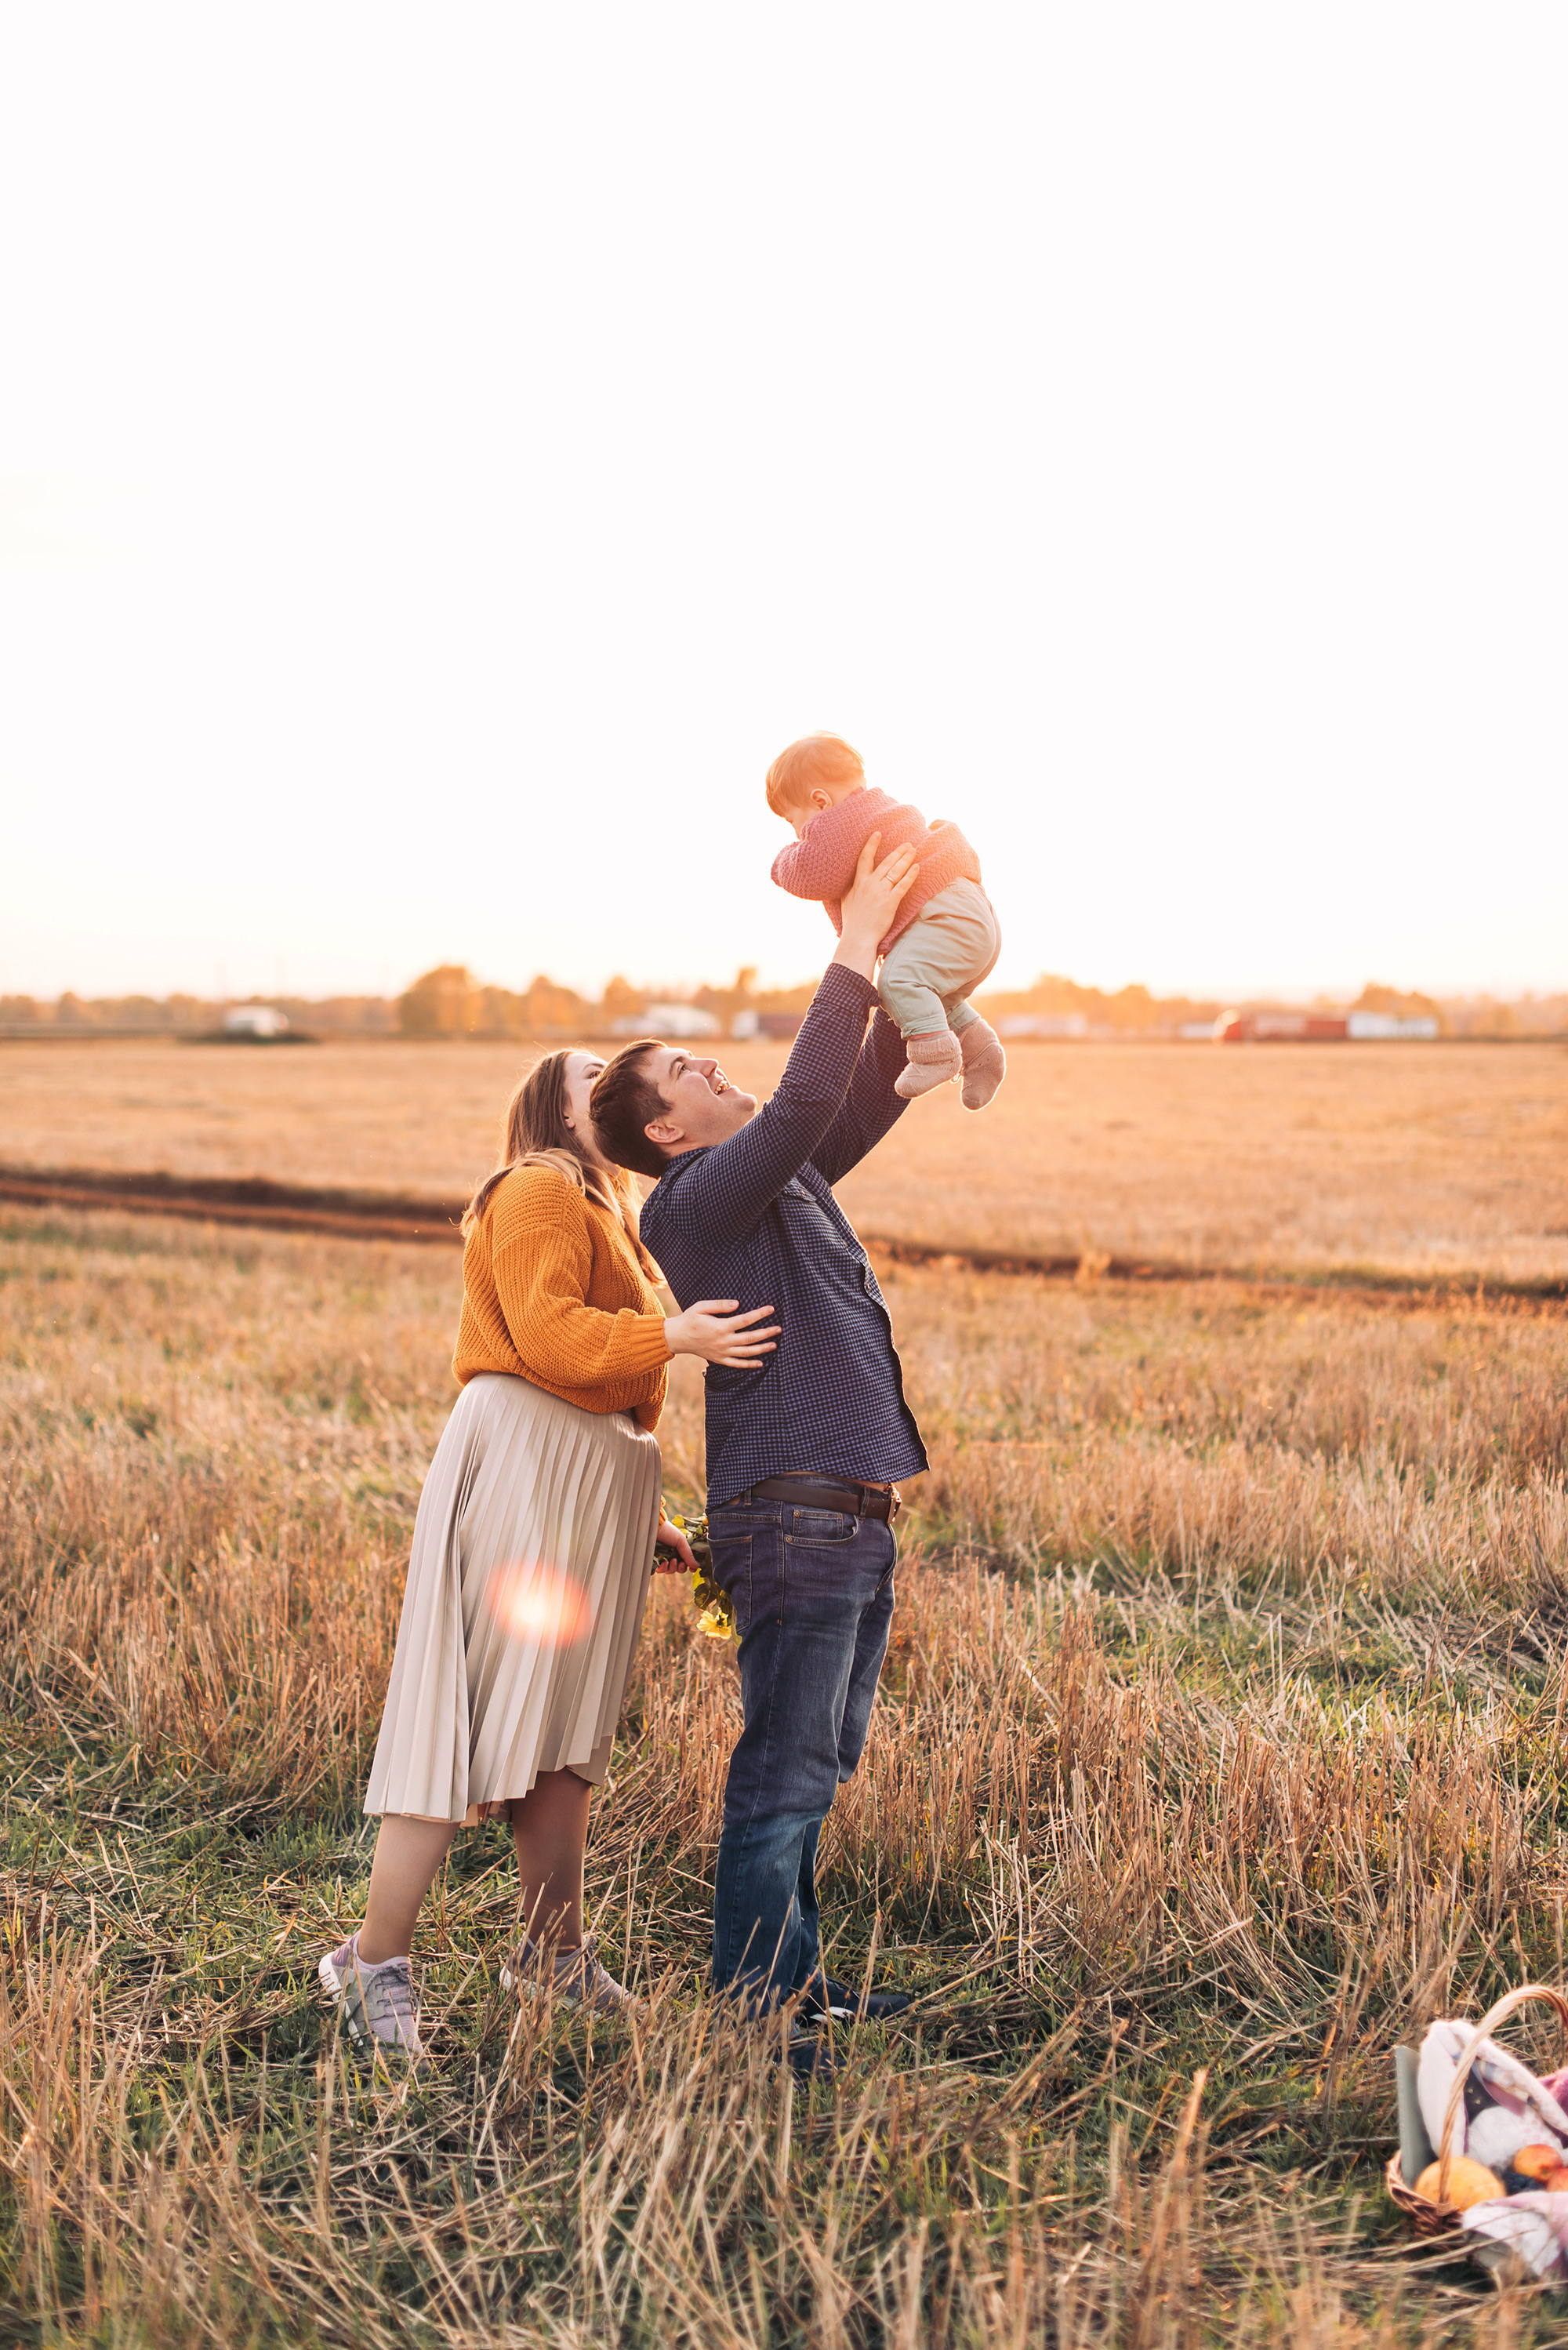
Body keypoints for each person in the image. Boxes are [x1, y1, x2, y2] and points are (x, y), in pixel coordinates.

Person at [319, 1050, 779, 2068]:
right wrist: (679, 1334)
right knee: (471, 1710)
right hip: (527, 1452)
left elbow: (593, 1367)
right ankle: (371, 1960)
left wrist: (640, 1512)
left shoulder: (600, 1204)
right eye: (594, 1071)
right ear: (557, 1108)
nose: (615, 1075)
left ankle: (552, 1954)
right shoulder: (534, 1184)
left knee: (563, 1739)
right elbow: (551, 1336)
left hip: (587, 1470)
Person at [590, 836, 928, 2071]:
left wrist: (905, 962)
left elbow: (860, 1089)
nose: (707, 1063)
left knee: (817, 1761)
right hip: (790, 1520)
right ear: (668, 1134)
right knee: (782, 1773)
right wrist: (845, 945)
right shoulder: (693, 1204)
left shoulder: (779, 1182)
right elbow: (798, 1102)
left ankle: (798, 1988)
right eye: (683, 1069)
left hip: (842, 1509)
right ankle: (757, 2020)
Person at [766, 731, 1006, 1110]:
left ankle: (935, 1055)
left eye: (793, 822)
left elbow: (815, 873)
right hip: (969, 918)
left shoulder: (841, 821)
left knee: (894, 983)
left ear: (820, 801)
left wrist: (780, 864)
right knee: (934, 996)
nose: (799, 835)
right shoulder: (877, 810)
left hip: (945, 915)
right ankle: (982, 1053)